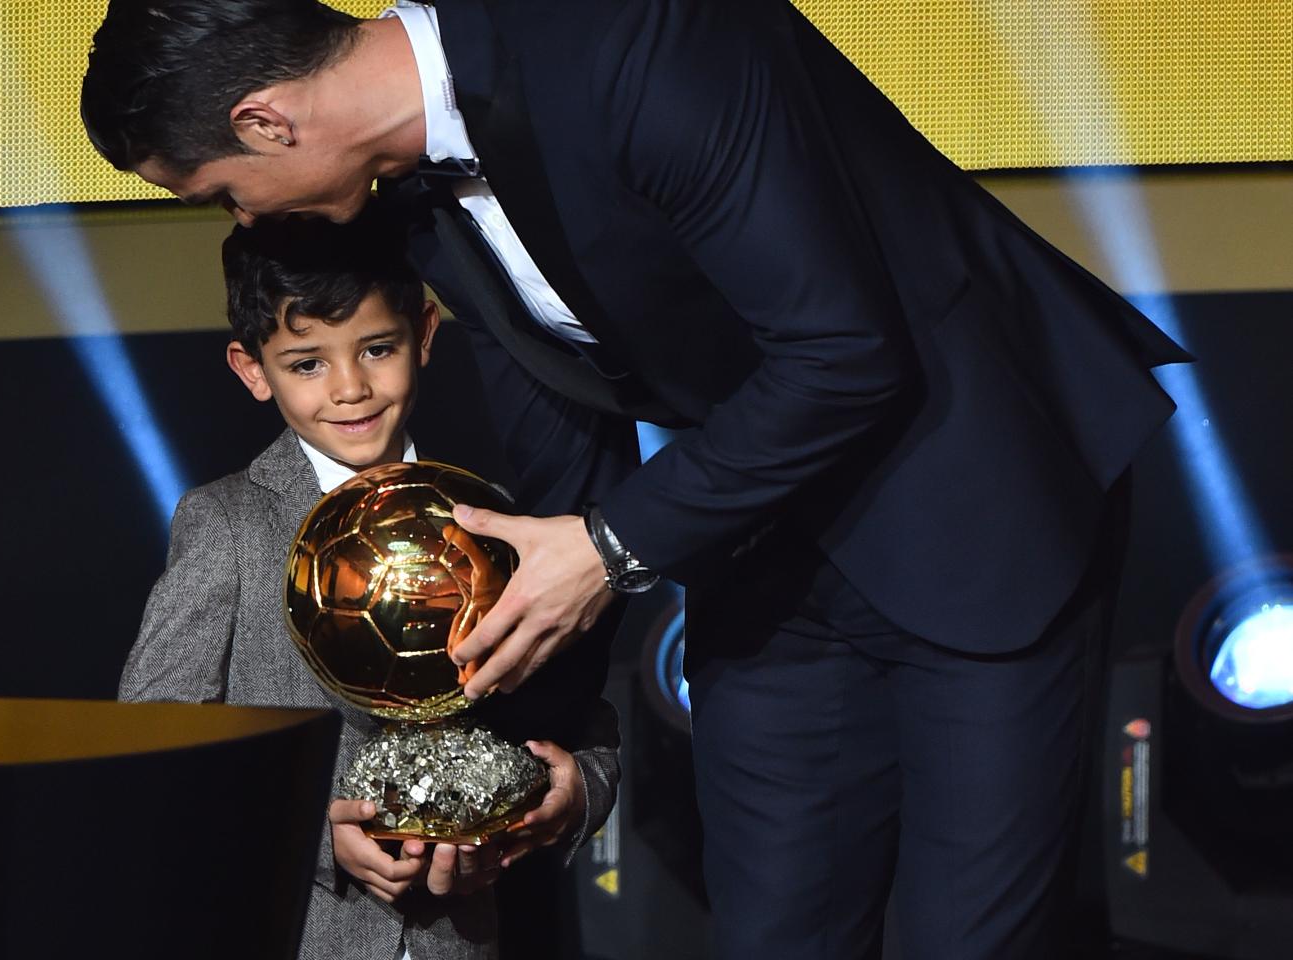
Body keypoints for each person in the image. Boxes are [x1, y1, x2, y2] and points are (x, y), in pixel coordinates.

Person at [80, 0, 1191, 954]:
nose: (247, 222)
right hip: (759, 545)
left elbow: (843, 351)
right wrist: (532, 755)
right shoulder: (406, 196)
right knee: (771, 932)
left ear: (262, 120)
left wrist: (612, 550)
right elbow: (565, 431)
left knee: (965, 939)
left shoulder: (627, 34)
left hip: (972, 496)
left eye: (222, 194)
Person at [118, 208, 621, 960]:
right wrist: (320, 835)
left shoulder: (488, 517)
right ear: (253, 369)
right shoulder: (228, 522)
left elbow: (583, 719)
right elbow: (153, 747)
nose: (351, 388)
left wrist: (578, 791)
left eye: (376, 349)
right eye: (307, 363)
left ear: (423, 333)